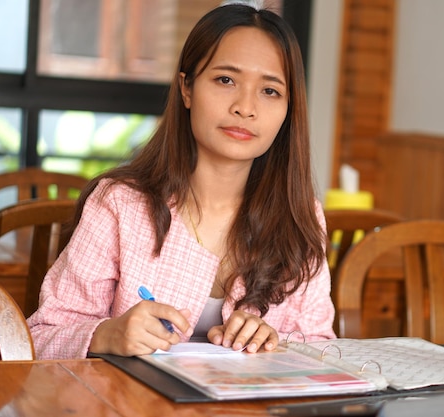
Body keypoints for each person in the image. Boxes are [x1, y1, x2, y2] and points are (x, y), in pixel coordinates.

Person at [27, 2, 336, 360]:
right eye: (225, 80)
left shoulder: (301, 216)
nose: (245, 107)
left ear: (288, 109)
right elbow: (40, 337)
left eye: (270, 91)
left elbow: (322, 348)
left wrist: (276, 343)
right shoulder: (119, 204)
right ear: (187, 88)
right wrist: (107, 335)